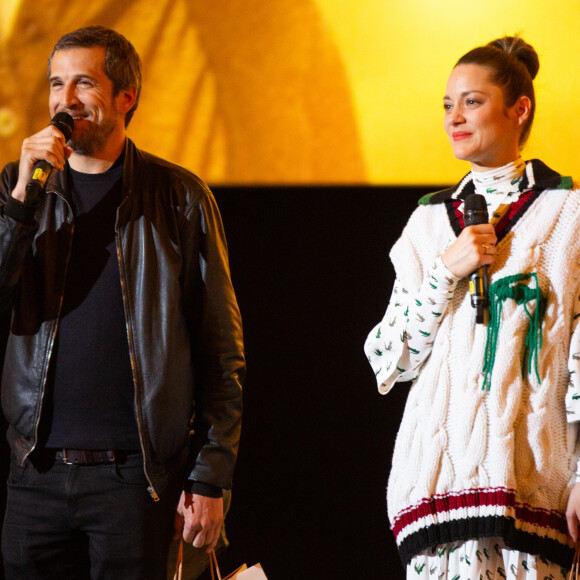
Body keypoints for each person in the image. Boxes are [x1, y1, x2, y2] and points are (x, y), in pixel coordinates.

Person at [0, 26, 245, 579]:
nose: (64, 100)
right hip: (34, 477)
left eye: (83, 83)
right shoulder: (19, 192)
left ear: (125, 97)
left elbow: (221, 350)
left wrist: (210, 476)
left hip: (135, 483)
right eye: (55, 84)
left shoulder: (179, 197)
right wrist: (19, 205)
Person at [365, 36, 580, 579]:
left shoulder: (568, 215)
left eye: (472, 101)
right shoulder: (428, 224)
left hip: (533, 500)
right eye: (446, 104)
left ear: (519, 109)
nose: (454, 117)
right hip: (437, 500)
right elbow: (390, 361)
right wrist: (444, 271)